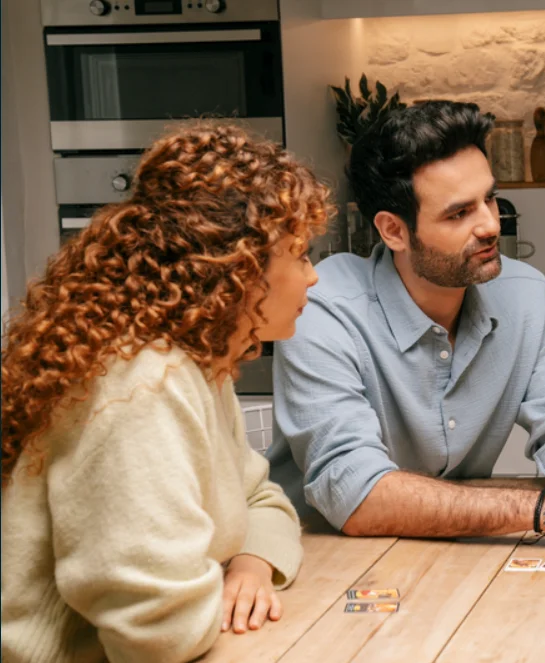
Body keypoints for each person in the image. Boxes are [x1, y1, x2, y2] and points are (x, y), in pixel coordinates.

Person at [267, 101, 545, 554]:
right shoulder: (322, 306)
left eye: (489, 198)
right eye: (458, 213)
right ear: (393, 231)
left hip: (453, 553)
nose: (490, 225)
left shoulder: (524, 293)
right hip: (316, 559)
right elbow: (352, 490)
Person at [1, 125, 328, 663]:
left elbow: (261, 498)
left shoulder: (200, 360)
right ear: (242, 268)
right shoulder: (143, 383)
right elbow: (155, 632)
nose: (312, 278)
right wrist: (211, 595)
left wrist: (251, 566)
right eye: (301, 255)